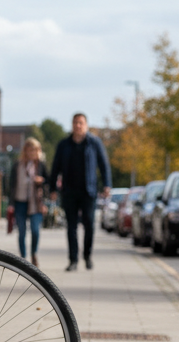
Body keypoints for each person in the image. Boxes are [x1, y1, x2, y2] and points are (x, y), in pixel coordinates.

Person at [49, 113, 112, 270]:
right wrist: (52, 189)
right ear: (72, 125)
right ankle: (73, 260)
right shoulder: (64, 144)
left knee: (89, 224)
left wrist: (107, 185)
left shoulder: (94, 143)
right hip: (69, 191)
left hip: (88, 191)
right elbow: (55, 167)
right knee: (71, 227)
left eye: (81, 123)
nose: (78, 125)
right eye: (75, 122)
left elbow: (104, 165)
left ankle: (87, 256)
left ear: (86, 125)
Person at [11, 136, 48, 267]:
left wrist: (41, 181)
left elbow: (48, 182)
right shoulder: (17, 165)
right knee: (21, 231)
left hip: (36, 203)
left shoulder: (41, 165)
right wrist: (11, 204)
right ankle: (23, 258)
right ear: (25, 151)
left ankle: (34, 254)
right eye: (29, 150)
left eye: (34, 150)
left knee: (35, 230)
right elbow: (12, 184)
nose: (32, 152)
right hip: (20, 201)